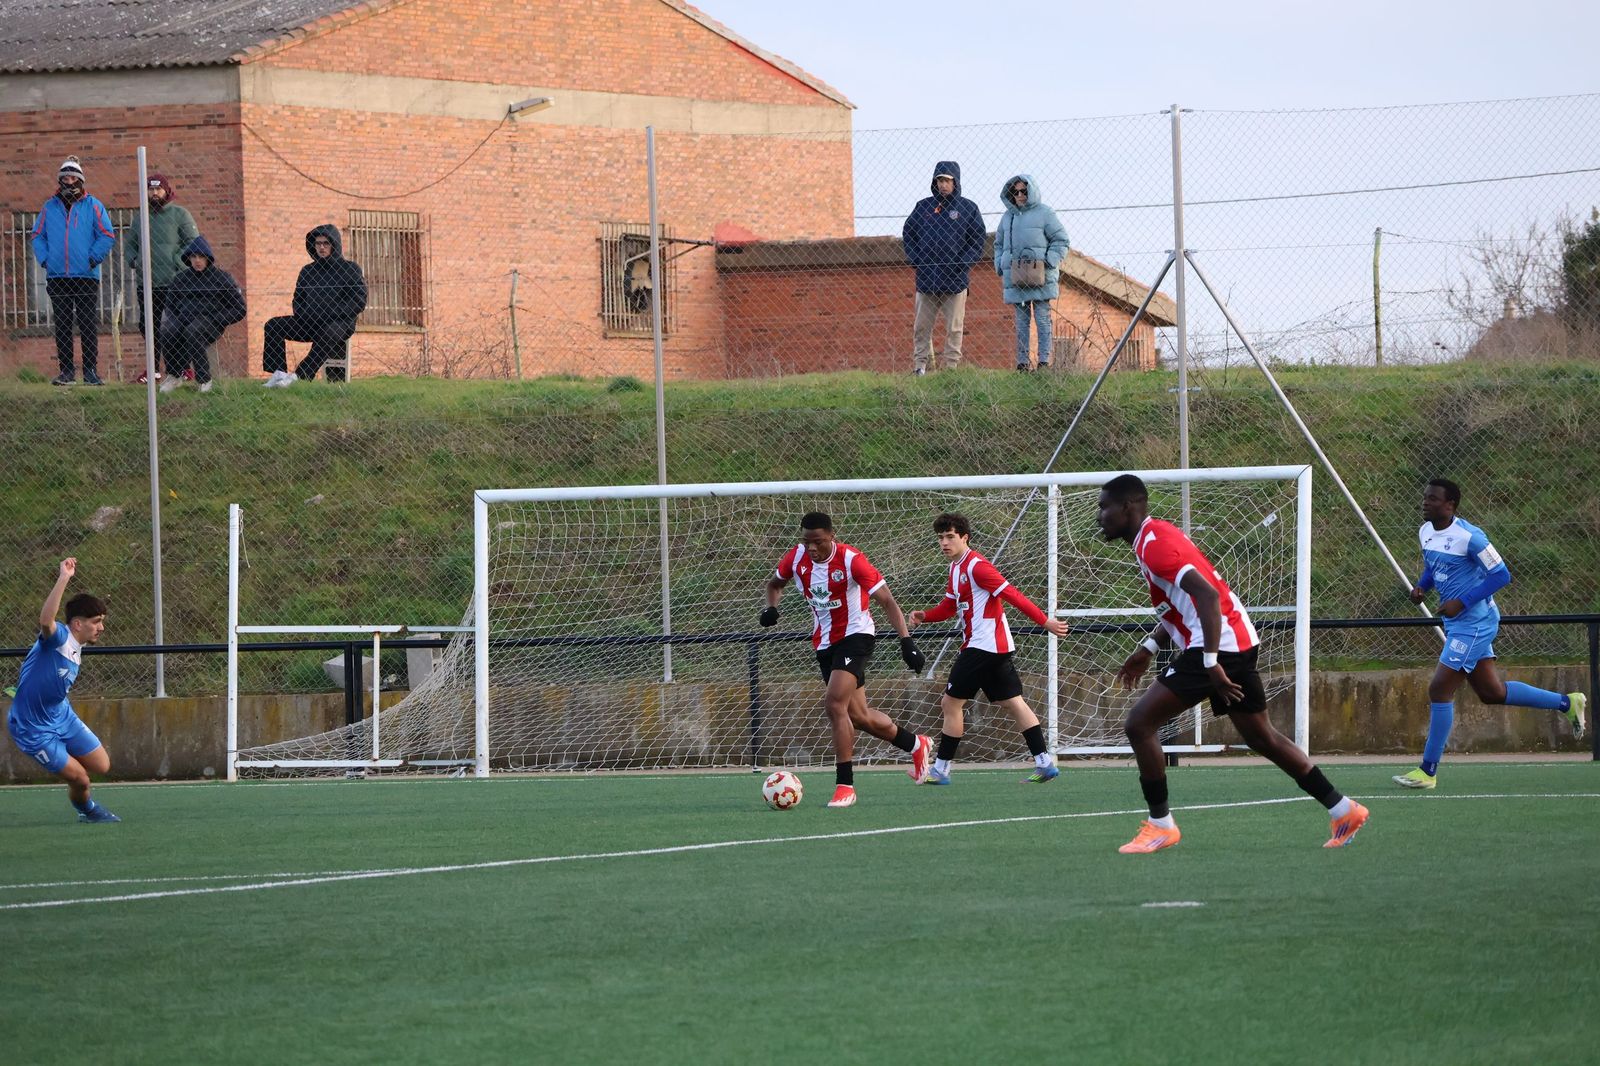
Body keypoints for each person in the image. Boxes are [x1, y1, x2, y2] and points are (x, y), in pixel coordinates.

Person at [1096, 474, 1367, 852]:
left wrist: (1210, 661)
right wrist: (1150, 647)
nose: (1100, 515)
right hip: (1235, 641)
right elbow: (1182, 604)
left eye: (1104, 507)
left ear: (1128, 507)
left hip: (1217, 647)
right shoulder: (1153, 538)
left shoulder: (1155, 545)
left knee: (1139, 724)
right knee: (1261, 737)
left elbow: (1207, 596)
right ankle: (1343, 809)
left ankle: (1161, 826)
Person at [1394, 478, 1586, 789]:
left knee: (1439, 689)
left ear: (1450, 505)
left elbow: (1501, 575)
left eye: (1433, 499)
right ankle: (1567, 703)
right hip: (1457, 624)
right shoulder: (1425, 531)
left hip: (1476, 623)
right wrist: (1422, 587)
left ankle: (1427, 771)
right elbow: (1433, 566)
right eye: (1425, 497)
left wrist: (1462, 602)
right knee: (1491, 692)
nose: (1425, 503)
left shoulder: (1471, 538)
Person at [761, 512, 933, 808]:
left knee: (834, 705)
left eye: (818, 541)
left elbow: (887, 600)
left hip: (856, 635)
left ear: (832, 536)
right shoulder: (796, 558)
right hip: (824, 643)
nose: (812, 547)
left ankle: (845, 786)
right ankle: (916, 744)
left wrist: (907, 642)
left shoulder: (852, 560)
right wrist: (771, 608)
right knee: (858, 716)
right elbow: (774, 584)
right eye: (806, 541)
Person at [907, 512, 1070, 784]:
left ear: (965, 538)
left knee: (950, 703)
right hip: (993, 647)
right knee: (1012, 702)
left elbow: (1012, 595)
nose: (944, 542)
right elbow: (949, 606)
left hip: (983, 646)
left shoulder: (978, 567)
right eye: (940, 538)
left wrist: (1045, 622)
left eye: (950, 537)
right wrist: (926, 615)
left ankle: (941, 769)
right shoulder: (955, 568)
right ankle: (1044, 763)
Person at [6, 559, 120, 823]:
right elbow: (46, 620)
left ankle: (65, 761)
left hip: (61, 715)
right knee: (81, 780)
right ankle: (87, 810)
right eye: (96, 621)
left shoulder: (77, 646)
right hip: (32, 727)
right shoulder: (58, 639)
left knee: (102, 765)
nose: (101, 627)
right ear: (77, 624)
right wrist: (64, 577)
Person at [30, 156, 116, 387]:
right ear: (60, 181)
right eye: (65, 178)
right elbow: (37, 235)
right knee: (62, 325)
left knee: (87, 324)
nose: (69, 182)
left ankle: (90, 372)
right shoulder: (49, 207)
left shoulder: (94, 205)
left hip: (86, 276)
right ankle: (66, 372)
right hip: (58, 277)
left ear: (80, 180)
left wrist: (92, 258)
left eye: (73, 178)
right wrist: (46, 259)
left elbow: (107, 234)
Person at [901, 161, 987, 376]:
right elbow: (908, 234)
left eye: (947, 180)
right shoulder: (923, 207)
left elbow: (977, 241)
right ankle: (920, 367)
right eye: (939, 180)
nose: (943, 185)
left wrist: (962, 264)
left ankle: (950, 370)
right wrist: (916, 261)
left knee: (954, 328)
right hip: (927, 280)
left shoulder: (968, 209)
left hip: (955, 281)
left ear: (955, 182)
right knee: (921, 327)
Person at [262, 224, 367, 387]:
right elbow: (298, 299)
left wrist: (331, 313)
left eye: (326, 243)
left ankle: (300, 377)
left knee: (329, 333)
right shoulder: (307, 271)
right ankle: (279, 375)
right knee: (273, 325)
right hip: (310, 322)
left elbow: (358, 301)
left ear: (334, 245)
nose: (321, 247)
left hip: (339, 323)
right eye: (318, 243)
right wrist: (304, 315)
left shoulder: (350, 269)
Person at [123, 172, 198, 384]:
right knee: (148, 327)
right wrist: (135, 261)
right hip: (147, 284)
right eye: (151, 189)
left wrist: (177, 261)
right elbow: (130, 245)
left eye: (158, 189)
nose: (154, 193)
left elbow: (193, 242)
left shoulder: (180, 214)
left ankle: (183, 368)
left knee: (177, 326)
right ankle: (153, 370)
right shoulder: (141, 218)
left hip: (174, 283)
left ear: (166, 190)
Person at [994, 174, 1069, 372]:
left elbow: (1061, 239)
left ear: (1031, 191)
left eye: (1024, 191)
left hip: (1041, 276)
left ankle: (1044, 362)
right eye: (1015, 191)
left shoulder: (1045, 213)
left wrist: (1049, 261)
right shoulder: (1007, 217)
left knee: (1043, 319)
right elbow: (998, 244)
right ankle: (1022, 364)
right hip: (1016, 277)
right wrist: (1000, 263)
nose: (1019, 195)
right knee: (1021, 322)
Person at [158, 235, 246, 394]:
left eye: (201, 256)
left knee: (193, 331)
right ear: (188, 258)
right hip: (184, 319)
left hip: (211, 321)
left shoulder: (221, 278)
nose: (197, 260)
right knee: (168, 331)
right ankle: (174, 375)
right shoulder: (181, 279)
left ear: (208, 258)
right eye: (193, 257)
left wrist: (218, 319)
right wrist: (176, 320)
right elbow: (170, 305)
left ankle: (204, 380)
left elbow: (239, 308)